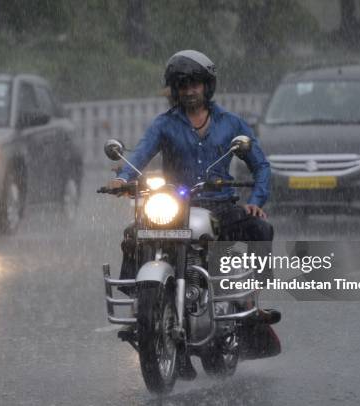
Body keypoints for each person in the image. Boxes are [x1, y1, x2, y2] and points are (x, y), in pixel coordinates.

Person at [108, 50, 280, 376]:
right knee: (134, 234)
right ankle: (142, 306)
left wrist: (257, 198)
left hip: (220, 204)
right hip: (174, 205)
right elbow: (140, 154)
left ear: (207, 86)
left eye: (195, 84)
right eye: (182, 84)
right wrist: (123, 178)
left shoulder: (231, 124)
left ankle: (250, 302)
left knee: (260, 229)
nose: (189, 91)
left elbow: (261, 165)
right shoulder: (164, 125)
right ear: (174, 89)